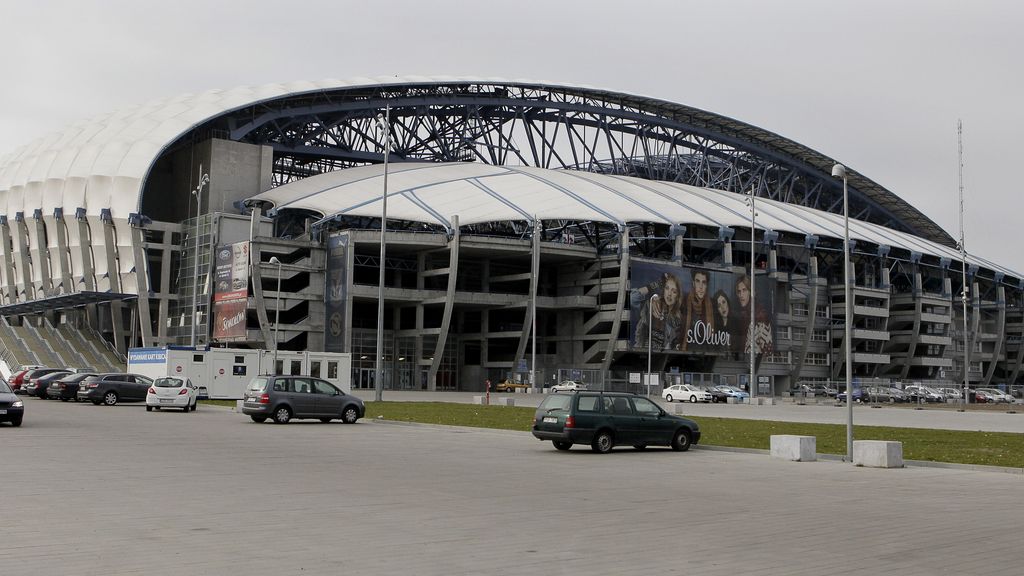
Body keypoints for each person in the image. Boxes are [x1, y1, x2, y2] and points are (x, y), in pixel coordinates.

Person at [631, 272, 683, 351]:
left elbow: (673, 345)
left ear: (678, 296)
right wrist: (656, 284)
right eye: (667, 288)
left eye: (674, 291)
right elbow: (632, 298)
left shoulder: (677, 319)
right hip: (642, 352)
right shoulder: (651, 305)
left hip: (659, 355)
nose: (669, 294)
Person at [734, 274, 773, 357]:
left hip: (756, 363)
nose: (741, 295)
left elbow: (767, 350)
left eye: (744, 290)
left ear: (751, 292)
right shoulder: (741, 314)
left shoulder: (760, 315)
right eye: (739, 291)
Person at [681, 269, 715, 352]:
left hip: (706, 351)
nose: (700, 286)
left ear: (707, 285)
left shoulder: (712, 304)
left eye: (704, 282)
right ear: (693, 283)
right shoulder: (684, 301)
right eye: (697, 281)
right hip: (686, 350)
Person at [712, 289, 741, 356]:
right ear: (717, 309)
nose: (722, 307)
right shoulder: (715, 325)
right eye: (719, 305)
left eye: (724, 302)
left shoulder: (736, 322)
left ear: (727, 302)